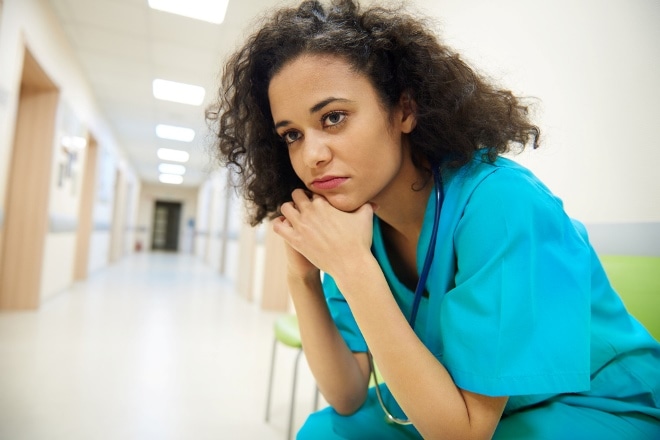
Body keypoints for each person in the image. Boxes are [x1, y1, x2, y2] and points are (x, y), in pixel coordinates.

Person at [206, 1, 660, 438]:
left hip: (595, 401)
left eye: (334, 117)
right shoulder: (358, 222)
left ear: (404, 110)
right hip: (463, 407)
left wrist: (352, 266)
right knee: (325, 431)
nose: (311, 156)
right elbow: (345, 395)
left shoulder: (500, 202)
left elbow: (462, 435)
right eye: (292, 135)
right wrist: (302, 277)